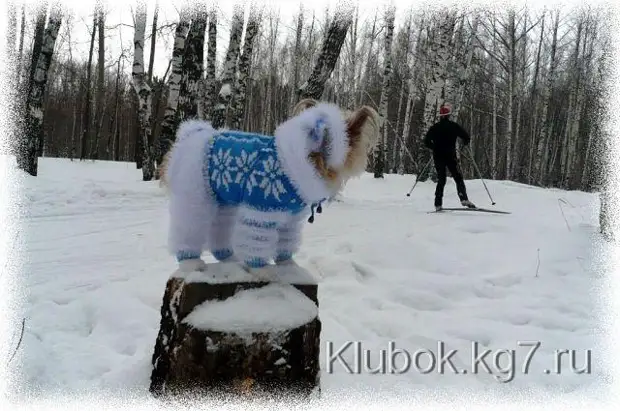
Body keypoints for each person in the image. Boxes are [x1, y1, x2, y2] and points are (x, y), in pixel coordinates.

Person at [423, 103, 476, 211]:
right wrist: (465, 143)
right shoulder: (453, 126)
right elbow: (466, 136)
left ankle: (438, 204)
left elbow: (426, 141)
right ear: (449, 115)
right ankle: (463, 198)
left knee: (441, 179)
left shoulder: (435, 127)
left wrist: (434, 147)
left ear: (440, 116)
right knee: (458, 177)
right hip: (450, 156)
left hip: (438, 156)